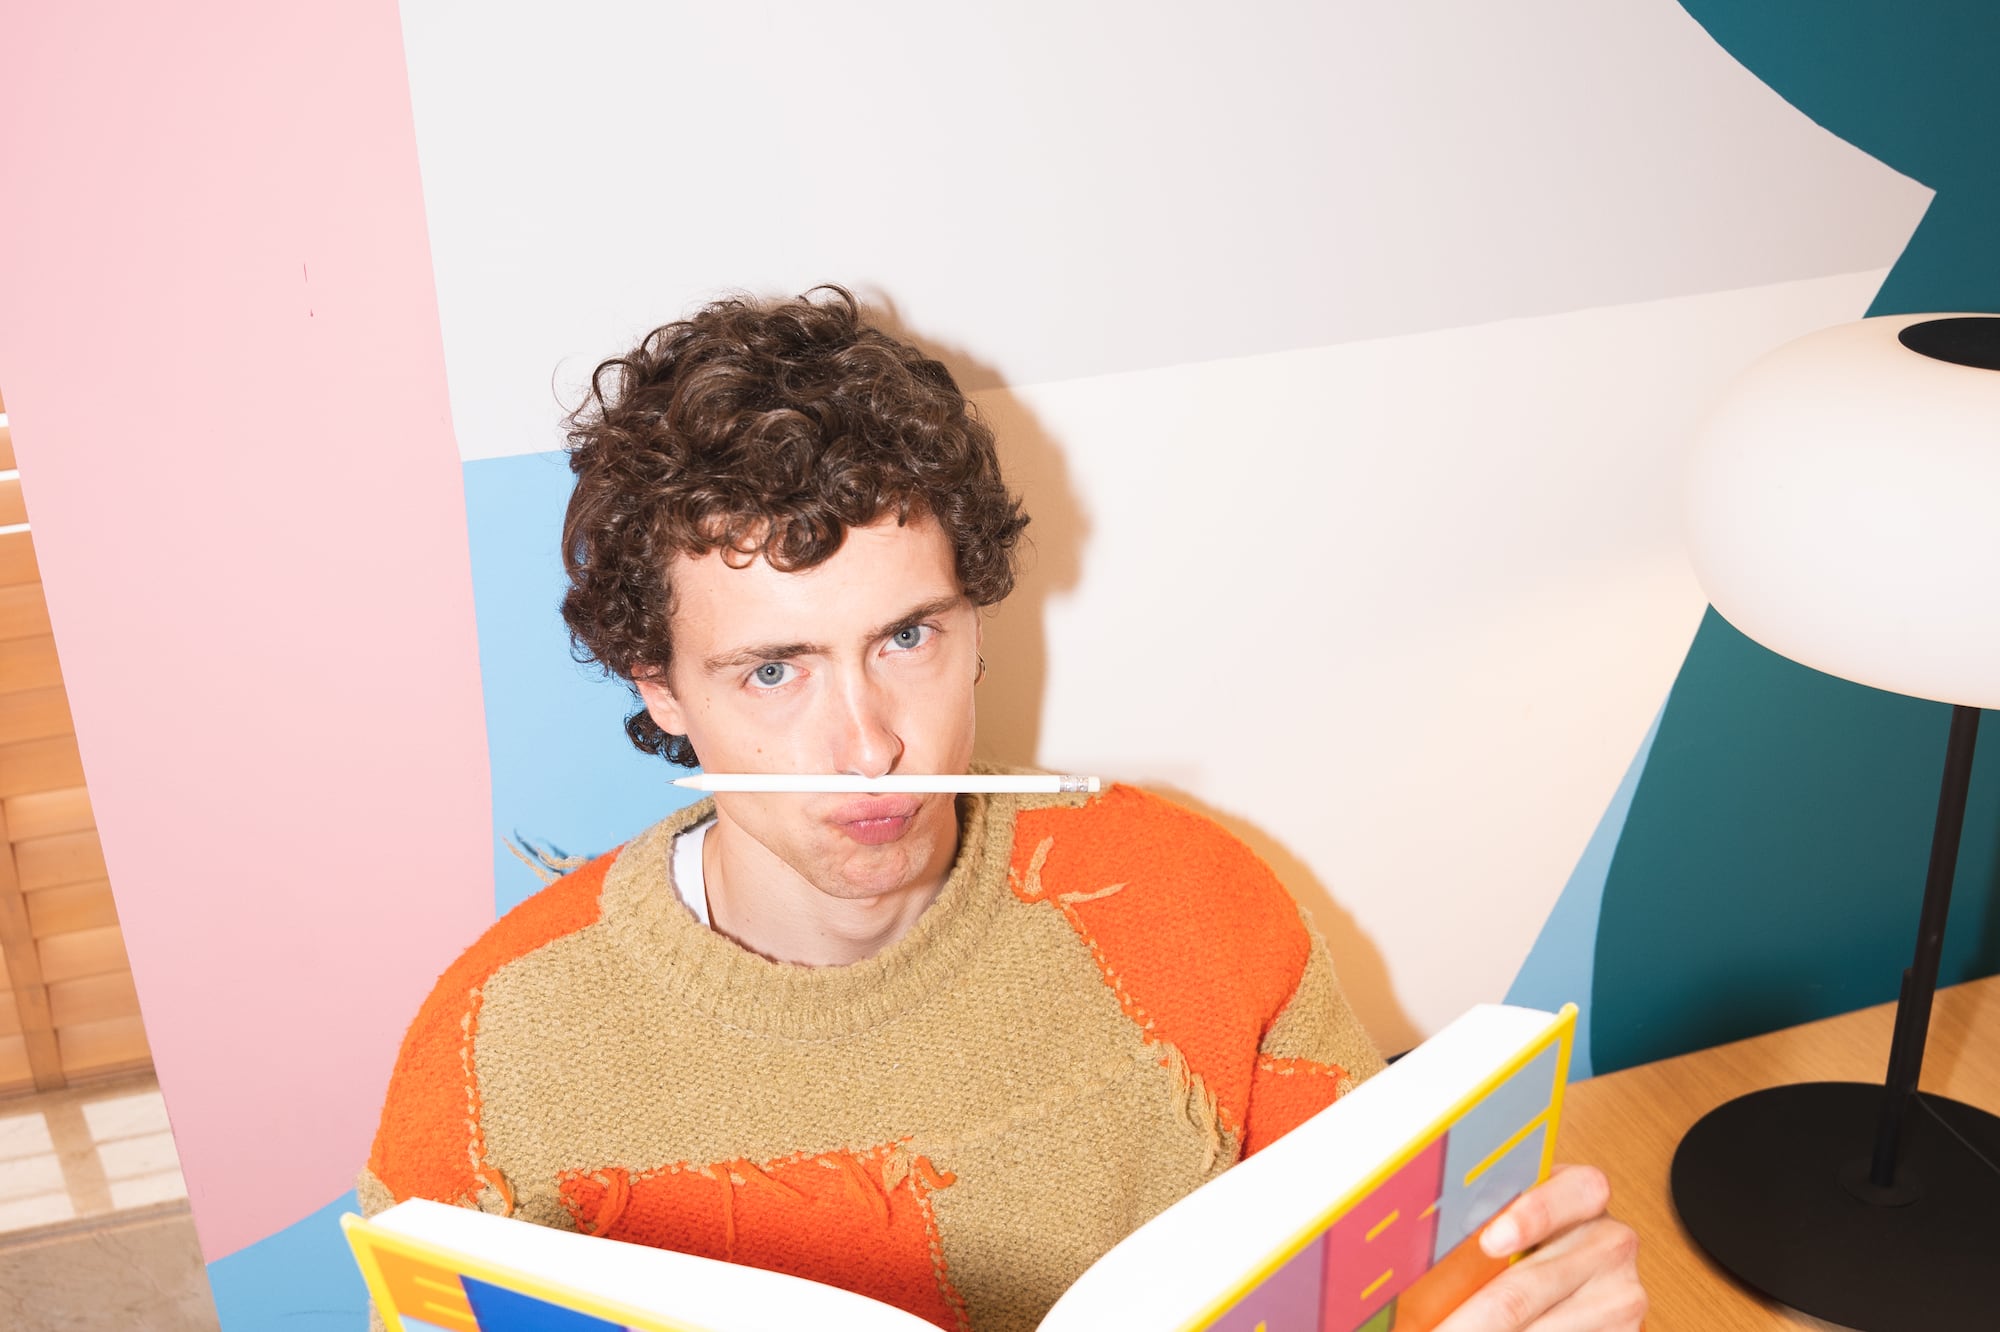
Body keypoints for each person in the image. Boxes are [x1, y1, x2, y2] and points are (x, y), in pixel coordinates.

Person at [362, 288, 1644, 1332]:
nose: (868, 747)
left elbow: (1385, 1295)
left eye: (907, 636)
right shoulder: (499, 1050)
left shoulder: (1184, 899)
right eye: (773, 670)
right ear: (663, 690)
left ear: (973, 618)